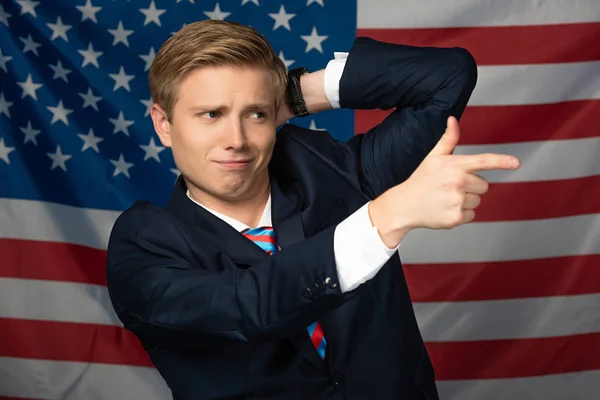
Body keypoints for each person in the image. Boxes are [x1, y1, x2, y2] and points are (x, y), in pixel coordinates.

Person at [106, 19, 519, 400]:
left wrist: (296, 95)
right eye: (211, 114)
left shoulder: (334, 173)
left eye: (255, 114)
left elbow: (446, 76)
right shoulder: (143, 245)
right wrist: (385, 218)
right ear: (163, 124)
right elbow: (243, 306)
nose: (236, 139)